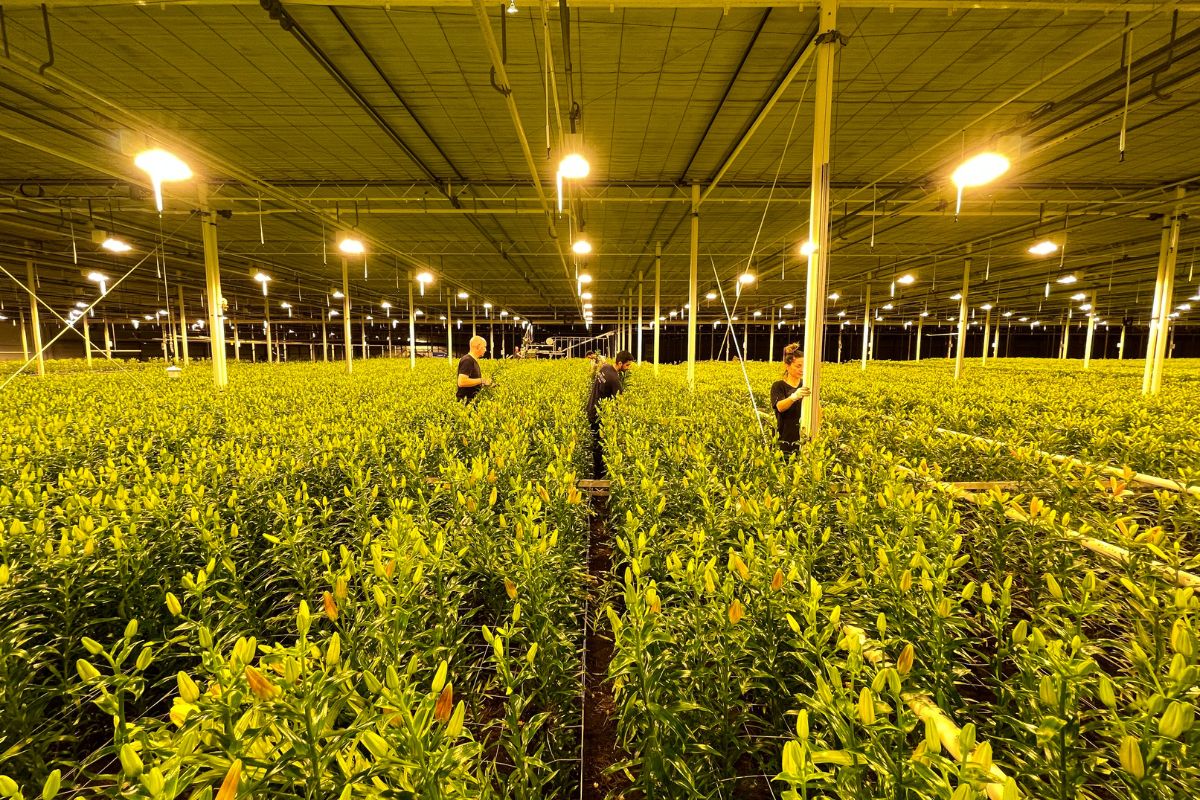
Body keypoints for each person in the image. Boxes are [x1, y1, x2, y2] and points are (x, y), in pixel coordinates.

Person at [586, 350, 634, 478]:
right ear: (620, 363)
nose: (629, 368)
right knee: (599, 445)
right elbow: (620, 402)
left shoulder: (605, 367)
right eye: (627, 365)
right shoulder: (615, 380)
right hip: (598, 415)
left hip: (591, 407)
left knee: (596, 442)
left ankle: (597, 472)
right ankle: (599, 475)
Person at [770, 343, 811, 456]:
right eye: (798, 366)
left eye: (804, 366)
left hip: (803, 436)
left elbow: (817, 408)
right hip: (784, 436)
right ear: (787, 366)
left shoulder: (806, 385)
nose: (802, 369)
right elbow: (780, 407)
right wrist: (794, 396)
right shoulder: (778, 386)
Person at [456, 335, 492, 402]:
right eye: (484, 347)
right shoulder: (468, 360)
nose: (485, 349)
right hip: (466, 403)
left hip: (471, 402)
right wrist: (482, 380)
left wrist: (484, 382)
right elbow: (461, 382)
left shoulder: (472, 360)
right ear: (478, 347)